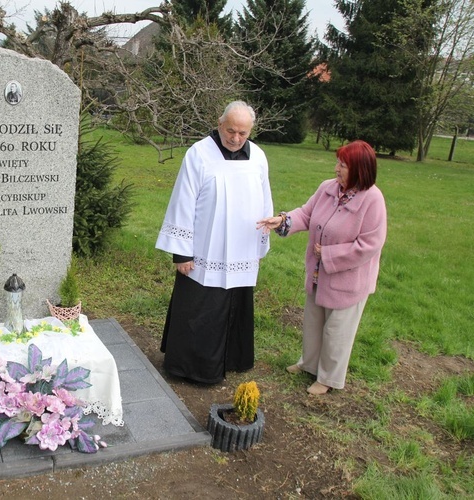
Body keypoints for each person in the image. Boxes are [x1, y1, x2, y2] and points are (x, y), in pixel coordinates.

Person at [155, 101, 273, 384]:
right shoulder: (199, 153)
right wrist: (181, 253)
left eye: (242, 133)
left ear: (250, 131)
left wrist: (259, 244)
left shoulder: (257, 156)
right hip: (204, 250)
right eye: (230, 130)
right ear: (220, 124)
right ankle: (191, 367)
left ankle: (232, 359)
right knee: (200, 309)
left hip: (241, 250)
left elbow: (264, 197)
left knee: (235, 305)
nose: (235, 138)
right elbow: (183, 201)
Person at [256, 140, 387, 395]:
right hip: (319, 275)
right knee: (314, 322)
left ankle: (328, 378)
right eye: (338, 162)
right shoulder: (328, 188)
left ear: (360, 169)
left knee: (337, 331)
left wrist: (329, 253)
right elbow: (306, 214)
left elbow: (370, 244)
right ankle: (308, 364)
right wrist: (282, 220)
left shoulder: (372, 200)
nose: (337, 169)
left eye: (343, 165)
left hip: (349, 282)